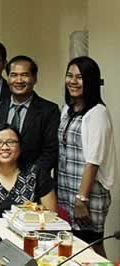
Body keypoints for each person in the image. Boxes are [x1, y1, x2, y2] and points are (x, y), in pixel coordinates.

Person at [57, 56, 116, 257]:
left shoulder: (97, 113)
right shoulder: (67, 108)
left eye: (80, 77)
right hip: (67, 191)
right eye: (69, 76)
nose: (73, 81)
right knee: (72, 248)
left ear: (90, 81)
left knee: (92, 248)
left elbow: (93, 161)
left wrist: (81, 200)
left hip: (87, 196)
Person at [0, 56, 60, 177]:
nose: (19, 80)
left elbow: (51, 152)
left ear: (34, 78)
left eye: (24, 75)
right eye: (14, 75)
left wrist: (29, 178)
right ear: (8, 78)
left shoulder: (49, 111)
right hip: (0, 178)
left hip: (35, 182)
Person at [0, 125, 57, 218]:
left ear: (20, 147)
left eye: (11, 142)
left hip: (31, 231)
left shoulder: (37, 174)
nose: (4, 147)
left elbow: (51, 217)